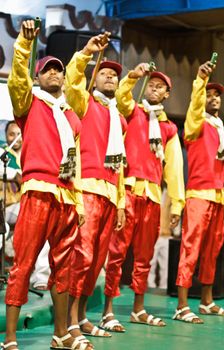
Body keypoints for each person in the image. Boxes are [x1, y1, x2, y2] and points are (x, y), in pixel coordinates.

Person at [1, 20, 90, 350]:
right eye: (48, 70)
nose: (54, 74)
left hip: (66, 194)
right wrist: (24, 45)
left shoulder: (71, 115)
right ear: (38, 77)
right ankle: (9, 339)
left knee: (64, 268)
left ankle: (61, 333)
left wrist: (79, 202)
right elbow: (17, 82)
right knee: (23, 264)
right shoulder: (29, 104)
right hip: (38, 190)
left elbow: (77, 160)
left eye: (59, 70)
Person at [99, 64, 185, 332]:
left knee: (144, 256)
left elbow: (174, 167)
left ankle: (138, 308)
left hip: (151, 195)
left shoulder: (169, 128)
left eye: (160, 87)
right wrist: (135, 76)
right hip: (127, 190)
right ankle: (107, 311)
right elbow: (123, 94)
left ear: (168, 93)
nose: (154, 89)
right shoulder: (131, 110)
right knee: (116, 253)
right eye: (152, 85)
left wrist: (177, 202)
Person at [65, 32, 126, 338]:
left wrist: (122, 202)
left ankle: (84, 314)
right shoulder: (84, 102)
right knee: (83, 255)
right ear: (95, 78)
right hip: (87, 188)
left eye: (115, 75)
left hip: (110, 194)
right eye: (105, 73)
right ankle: (70, 319)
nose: (111, 78)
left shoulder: (119, 118)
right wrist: (87, 53)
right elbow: (73, 79)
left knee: (98, 261)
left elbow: (122, 167)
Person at [173, 61, 224, 324]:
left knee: (212, 251)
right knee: (191, 249)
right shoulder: (195, 125)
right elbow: (195, 107)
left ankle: (207, 302)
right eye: (210, 95)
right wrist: (199, 82)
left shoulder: (221, 130)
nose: (215, 99)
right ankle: (182, 305)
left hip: (217, 196)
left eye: (217, 95)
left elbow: (219, 171)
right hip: (198, 195)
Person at [0, 121, 22, 259]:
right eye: (11, 134)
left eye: (19, 134)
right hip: (5, 205)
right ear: (6, 136)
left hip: (21, 204)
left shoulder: (30, 152)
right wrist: (15, 174)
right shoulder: (3, 151)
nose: (15, 138)